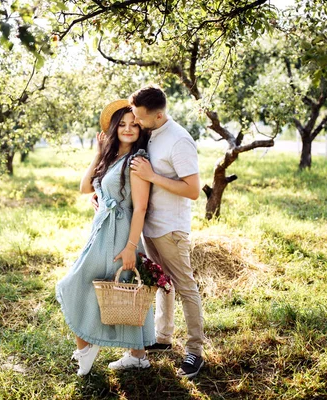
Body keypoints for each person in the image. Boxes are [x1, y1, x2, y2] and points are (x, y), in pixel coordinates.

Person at [56, 99, 156, 376]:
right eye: (121, 124)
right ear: (113, 128)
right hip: (102, 228)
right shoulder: (111, 156)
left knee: (82, 284)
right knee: (120, 289)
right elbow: (84, 187)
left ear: (141, 128)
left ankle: (87, 349)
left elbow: (141, 207)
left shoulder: (138, 161)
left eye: (133, 124)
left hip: (121, 232)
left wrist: (131, 248)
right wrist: (98, 154)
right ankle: (137, 355)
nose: (127, 128)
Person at [128, 85, 205, 379]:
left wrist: (152, 176)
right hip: (151, 226)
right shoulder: (153, 133)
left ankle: (195, 352)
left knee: (185, 287)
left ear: (159, 115)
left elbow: (193, 190)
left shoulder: (179, 141)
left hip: (171, 229)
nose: (135, 121)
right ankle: (163, 336)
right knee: (164, 283)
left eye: (139, 117)